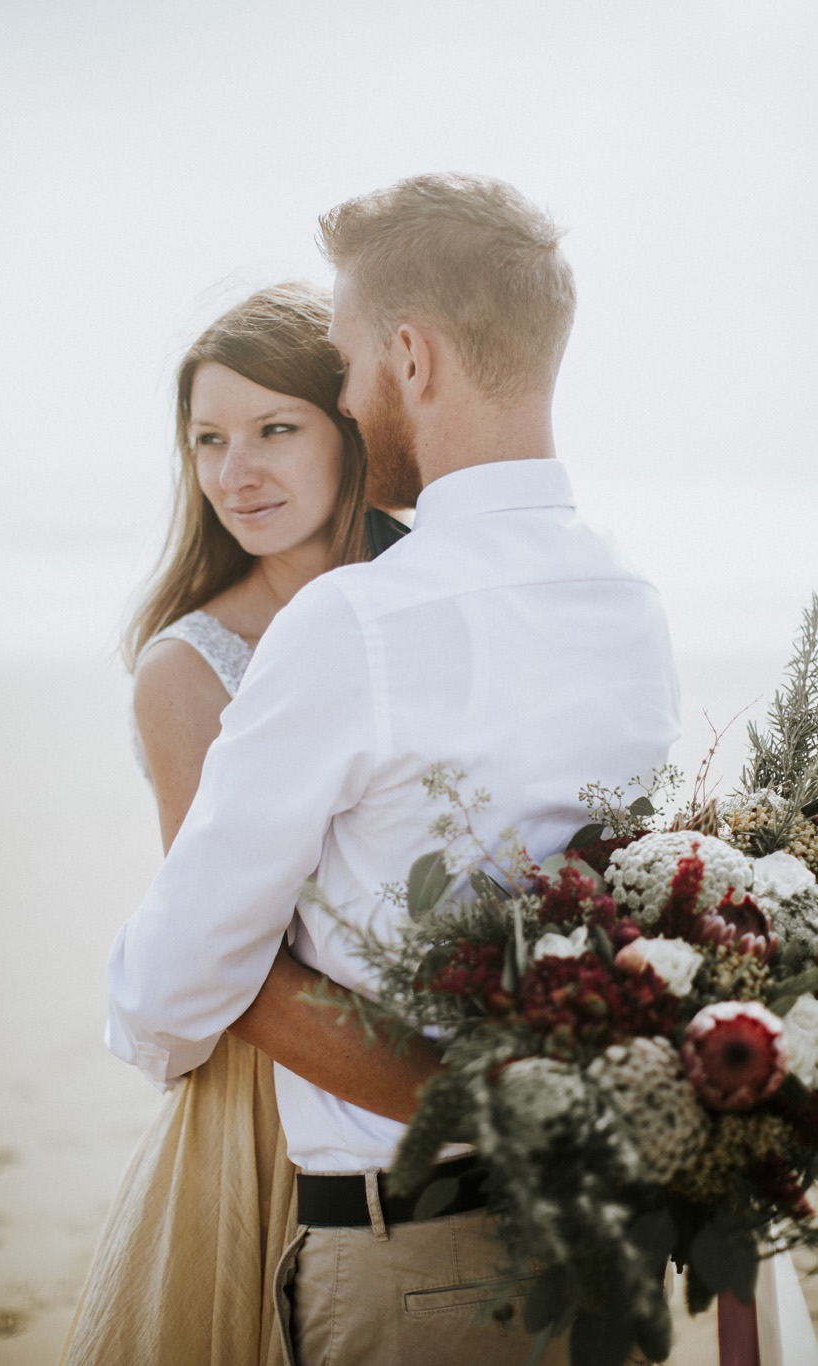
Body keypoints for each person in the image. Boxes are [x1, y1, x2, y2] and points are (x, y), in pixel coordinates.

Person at [107, 175, 681, 1365]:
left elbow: (168, 986)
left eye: (350, 363)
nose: (352, 393)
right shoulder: (631, 598)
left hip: (415, 1266)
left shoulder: (354, 624)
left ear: (410, 357)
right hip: (605, 1236)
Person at [60, 283, 440, 1366]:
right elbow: (226, 950)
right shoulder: (190, 667)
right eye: (209, 440)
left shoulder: (436, 593)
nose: (237, 472)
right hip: (287, 1091)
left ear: (350, 429)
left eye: (275, 428)